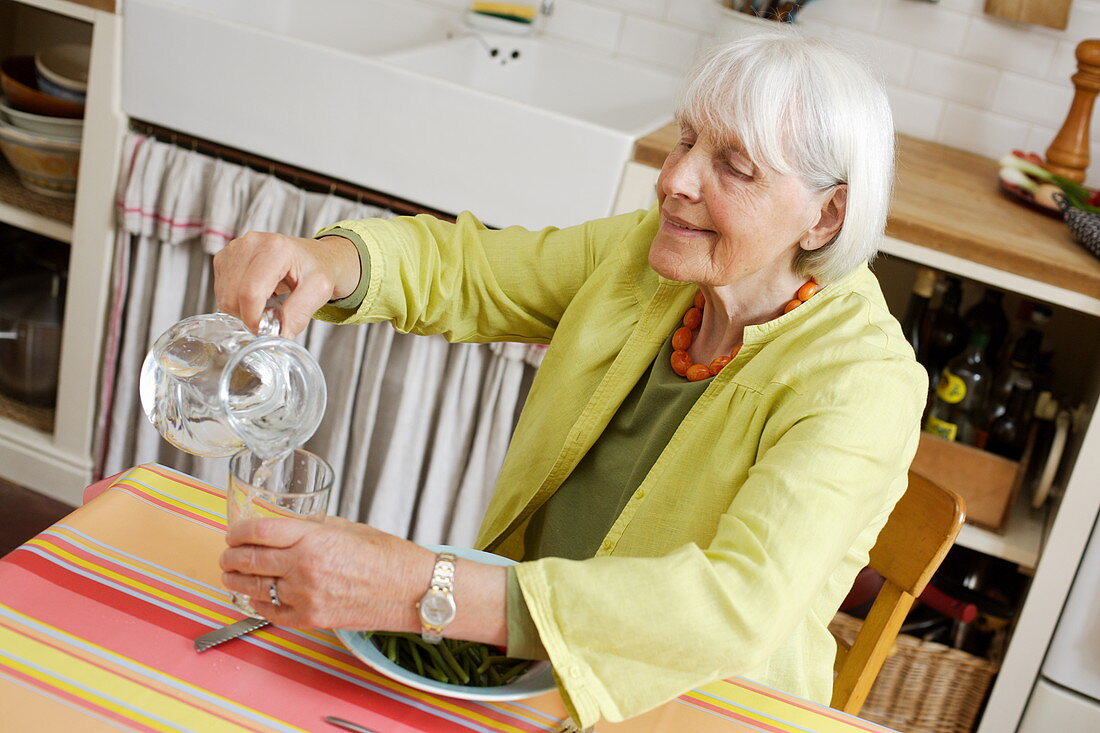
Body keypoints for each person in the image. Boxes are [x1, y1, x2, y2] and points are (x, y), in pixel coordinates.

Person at [214, 31, 926, 728]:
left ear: (825, 215)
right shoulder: (648, 256)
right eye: (686, 141)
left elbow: (732, 605)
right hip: (528, 679)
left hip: (699, 710)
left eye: (735, 167)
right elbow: (472, 273)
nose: (674, 180)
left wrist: (418, 587)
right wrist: (328, 260)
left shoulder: (863, 383)